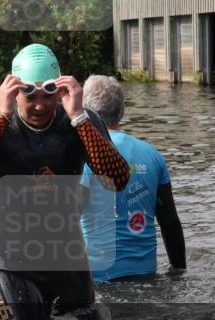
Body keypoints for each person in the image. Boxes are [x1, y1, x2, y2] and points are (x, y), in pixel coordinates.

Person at [0, 44, 130, 320]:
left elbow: (118, 178)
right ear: (13, 90)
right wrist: (2, 116)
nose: (39, 104)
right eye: (29, 95)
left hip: (65, 255)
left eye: (48, 93)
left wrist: (79, 118)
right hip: (8, 258)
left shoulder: (80, 122)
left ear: (59, 89)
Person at [79, 75, 185, 282]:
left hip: (96, 280)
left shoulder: (80, 157)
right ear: (122, 110)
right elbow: (170, 223)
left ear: (85, 113)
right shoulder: (153, 155)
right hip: (145, 274)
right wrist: (179, 274)